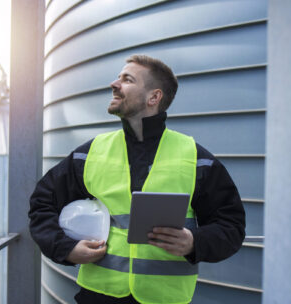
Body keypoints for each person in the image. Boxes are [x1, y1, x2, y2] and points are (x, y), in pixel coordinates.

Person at [29, 55, 245, 304]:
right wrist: (66, 249)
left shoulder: (196, 159)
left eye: (127, 79)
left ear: (154, 97)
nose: (114, 84)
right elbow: (41, 205)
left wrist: (194, 242)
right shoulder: (89, 153)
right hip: (97, 298)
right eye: (118, 77)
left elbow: (232, 226)